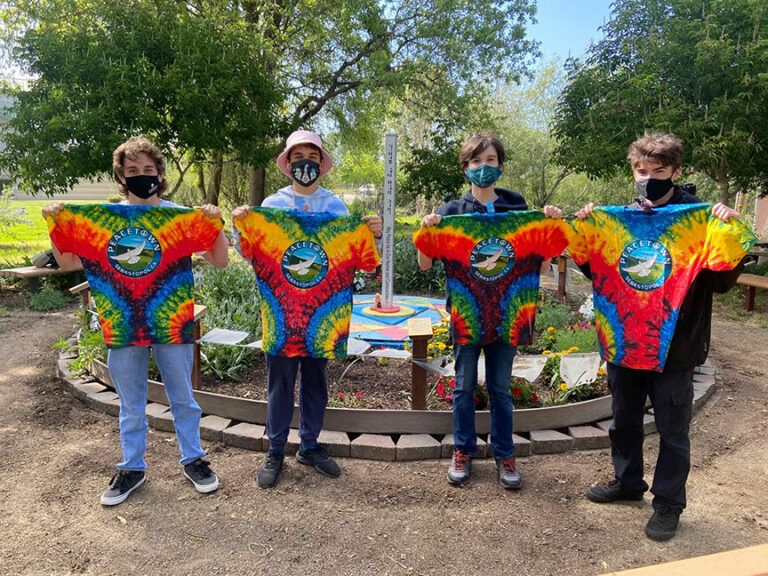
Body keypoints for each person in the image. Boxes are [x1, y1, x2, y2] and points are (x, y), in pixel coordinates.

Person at [573, 132, 751, 541]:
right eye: (641, 170)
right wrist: (589, 229)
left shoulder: (699, 219)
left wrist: (729, 231)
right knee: (624, 419)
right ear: (633, 171)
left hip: (675, 345)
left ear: (676, 172)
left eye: (658, 171)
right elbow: (600, 272)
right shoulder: (622, 216)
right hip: (626, 337)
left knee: (673, 428)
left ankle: (669, 504)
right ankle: (628, 482)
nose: (648, 177)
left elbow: (722, 283)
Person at [43, 136, 229, 506]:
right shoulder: (104, 221)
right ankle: (132, 467)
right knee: (130, 401)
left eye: (148, 170)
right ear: (121, 177)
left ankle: (194, 459)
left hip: (171, 321)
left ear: (160, 174)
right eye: (133, 171)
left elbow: (221, 260)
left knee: (183, 397)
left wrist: (215, 223)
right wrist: (56, 223)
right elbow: (66, 263)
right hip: (124, 322)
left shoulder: (178, 217)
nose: (142, 176)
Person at [415, 132, 568, 490]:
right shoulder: (452, 213)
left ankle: (505, 454)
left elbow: (541, 267)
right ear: (465, 167)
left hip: (507, 315)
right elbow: (425, 265)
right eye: (476, 162)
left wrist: (549, 223)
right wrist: (427, 231)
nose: (483, 168)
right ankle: (463, 451)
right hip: (467, 315)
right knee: (464, 388)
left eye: (490, 161)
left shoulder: (517, 208)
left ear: (500, 165)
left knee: (501, 390)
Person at [232, 130, 382, 489]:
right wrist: (242, 225)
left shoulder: (336, 207)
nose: (306, 163)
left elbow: (364, 263)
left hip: (322, 316)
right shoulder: (272, 204)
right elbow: (248, 252)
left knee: (316, 384)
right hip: (282, 315)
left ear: (321, 164)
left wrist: (373, 234)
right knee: (279, 386)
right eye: (298, 156)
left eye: (312, 157)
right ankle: (276, 450)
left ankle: (310, 446)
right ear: (288, 163)